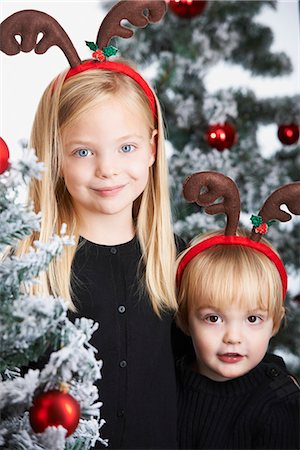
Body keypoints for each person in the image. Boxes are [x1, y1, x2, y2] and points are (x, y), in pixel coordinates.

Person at [0, 3, 186, 448]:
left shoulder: (176, 260)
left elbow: (216, 360)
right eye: (84, 151)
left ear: (152, 149)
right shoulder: (30, 266)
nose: (108, 169)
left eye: (126, 147)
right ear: (55, 156)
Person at [175, 171, 300, 449]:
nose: (233, 337)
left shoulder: (278, 407)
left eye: (253, 318)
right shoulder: (166, 385)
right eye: (214, 318)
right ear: (184, 319)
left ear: (275, 323)